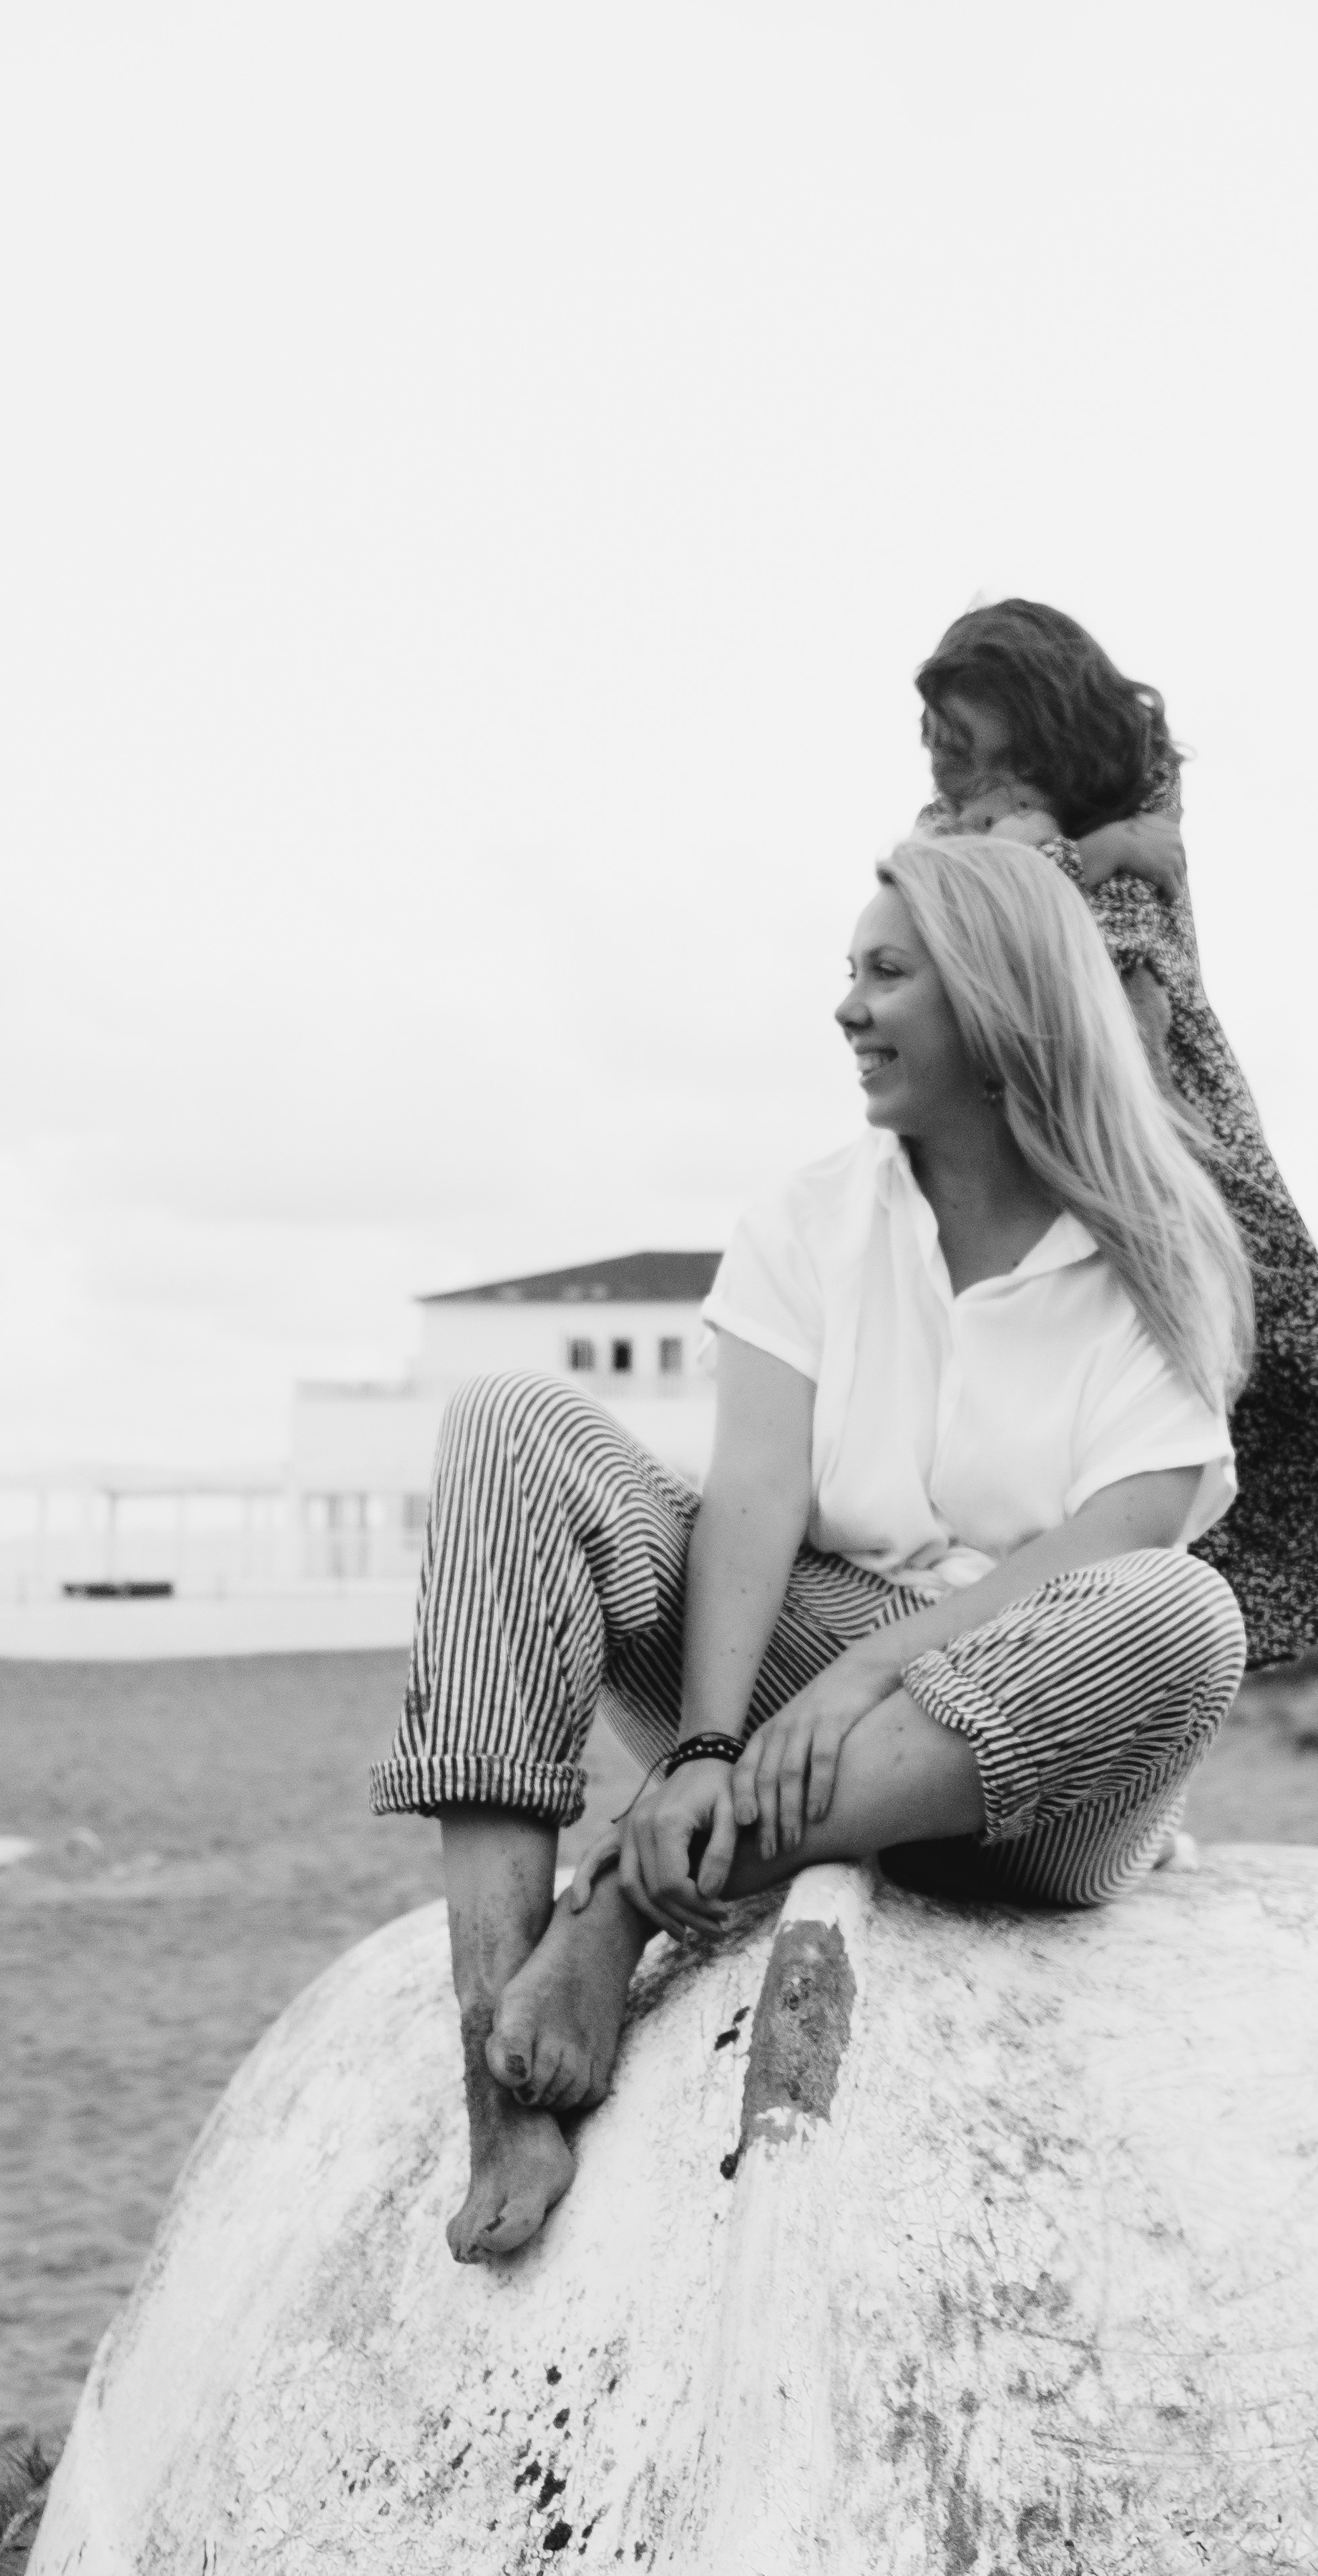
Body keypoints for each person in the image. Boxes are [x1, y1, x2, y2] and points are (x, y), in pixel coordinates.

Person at [373, 836, 1256, 2262]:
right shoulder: (806, 1220)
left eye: (885, 974)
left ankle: (622, 1904)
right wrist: (707, 1745)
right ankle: (501, 2065)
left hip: (1026, 1746)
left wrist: (869, 1681)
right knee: (504, 1423)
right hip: (795, 1675)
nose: (846, 1009)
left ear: (995, 1003)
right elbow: (753, 1494)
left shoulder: (1160, 1244)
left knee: (1181, 1610)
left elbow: (1118, 1536)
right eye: (846, 972)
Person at [912, 599, 1318, 1664]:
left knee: (1221, 1387)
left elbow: (1122, 934)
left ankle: (1160, 1676)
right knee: (1042, 1417)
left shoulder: (1137, 772)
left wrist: (1082, 857)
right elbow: (969, 921)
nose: (945, 760)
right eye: (934, 736)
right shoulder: (953, 823)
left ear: (1034, 719)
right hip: (1028, 1110)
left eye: (964, 735)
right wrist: (1095, 854)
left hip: (1160, 1106)